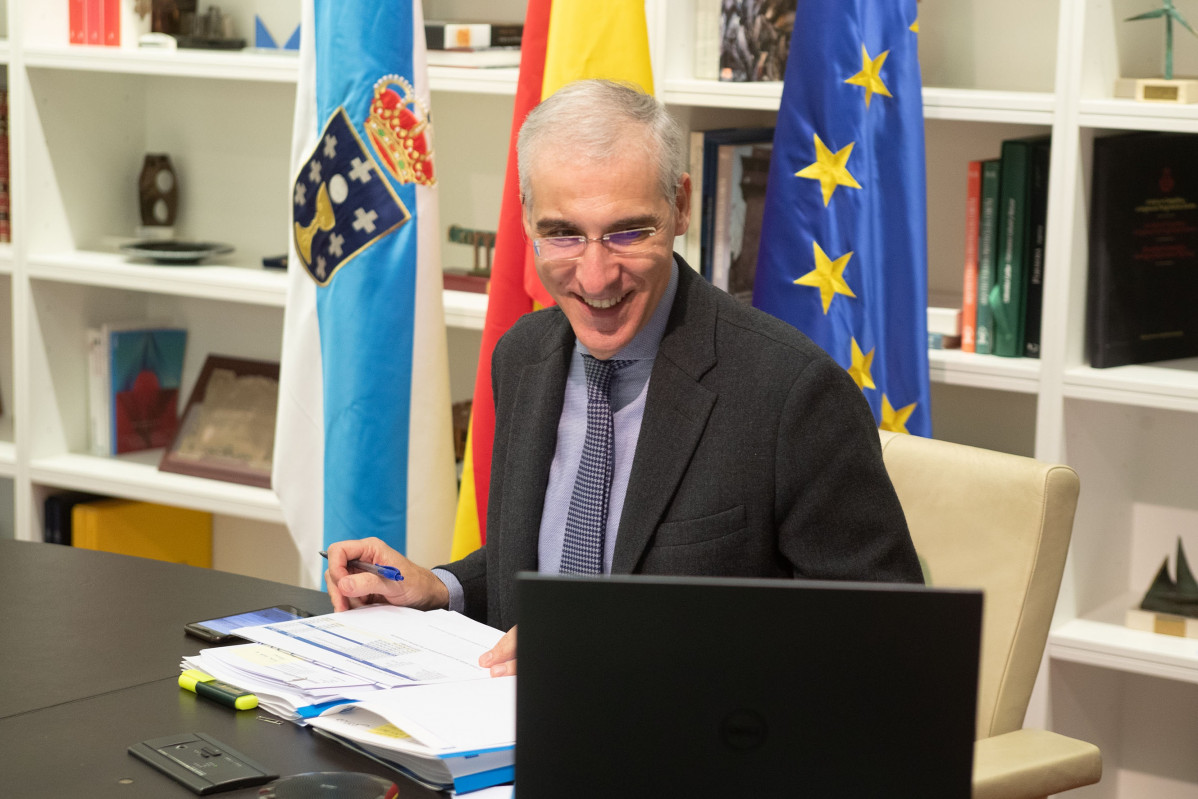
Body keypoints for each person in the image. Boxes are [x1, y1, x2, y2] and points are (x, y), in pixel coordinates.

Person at [325, 79, 923, 677]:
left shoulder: (792, 393)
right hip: (514, 736)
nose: (595, 275)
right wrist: (442, 587)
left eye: (628, 232)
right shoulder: (523, 355)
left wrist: (621, 644)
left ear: (681, 206)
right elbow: (550, 563)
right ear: (528, 218)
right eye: (563, 233)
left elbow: (883, 636)